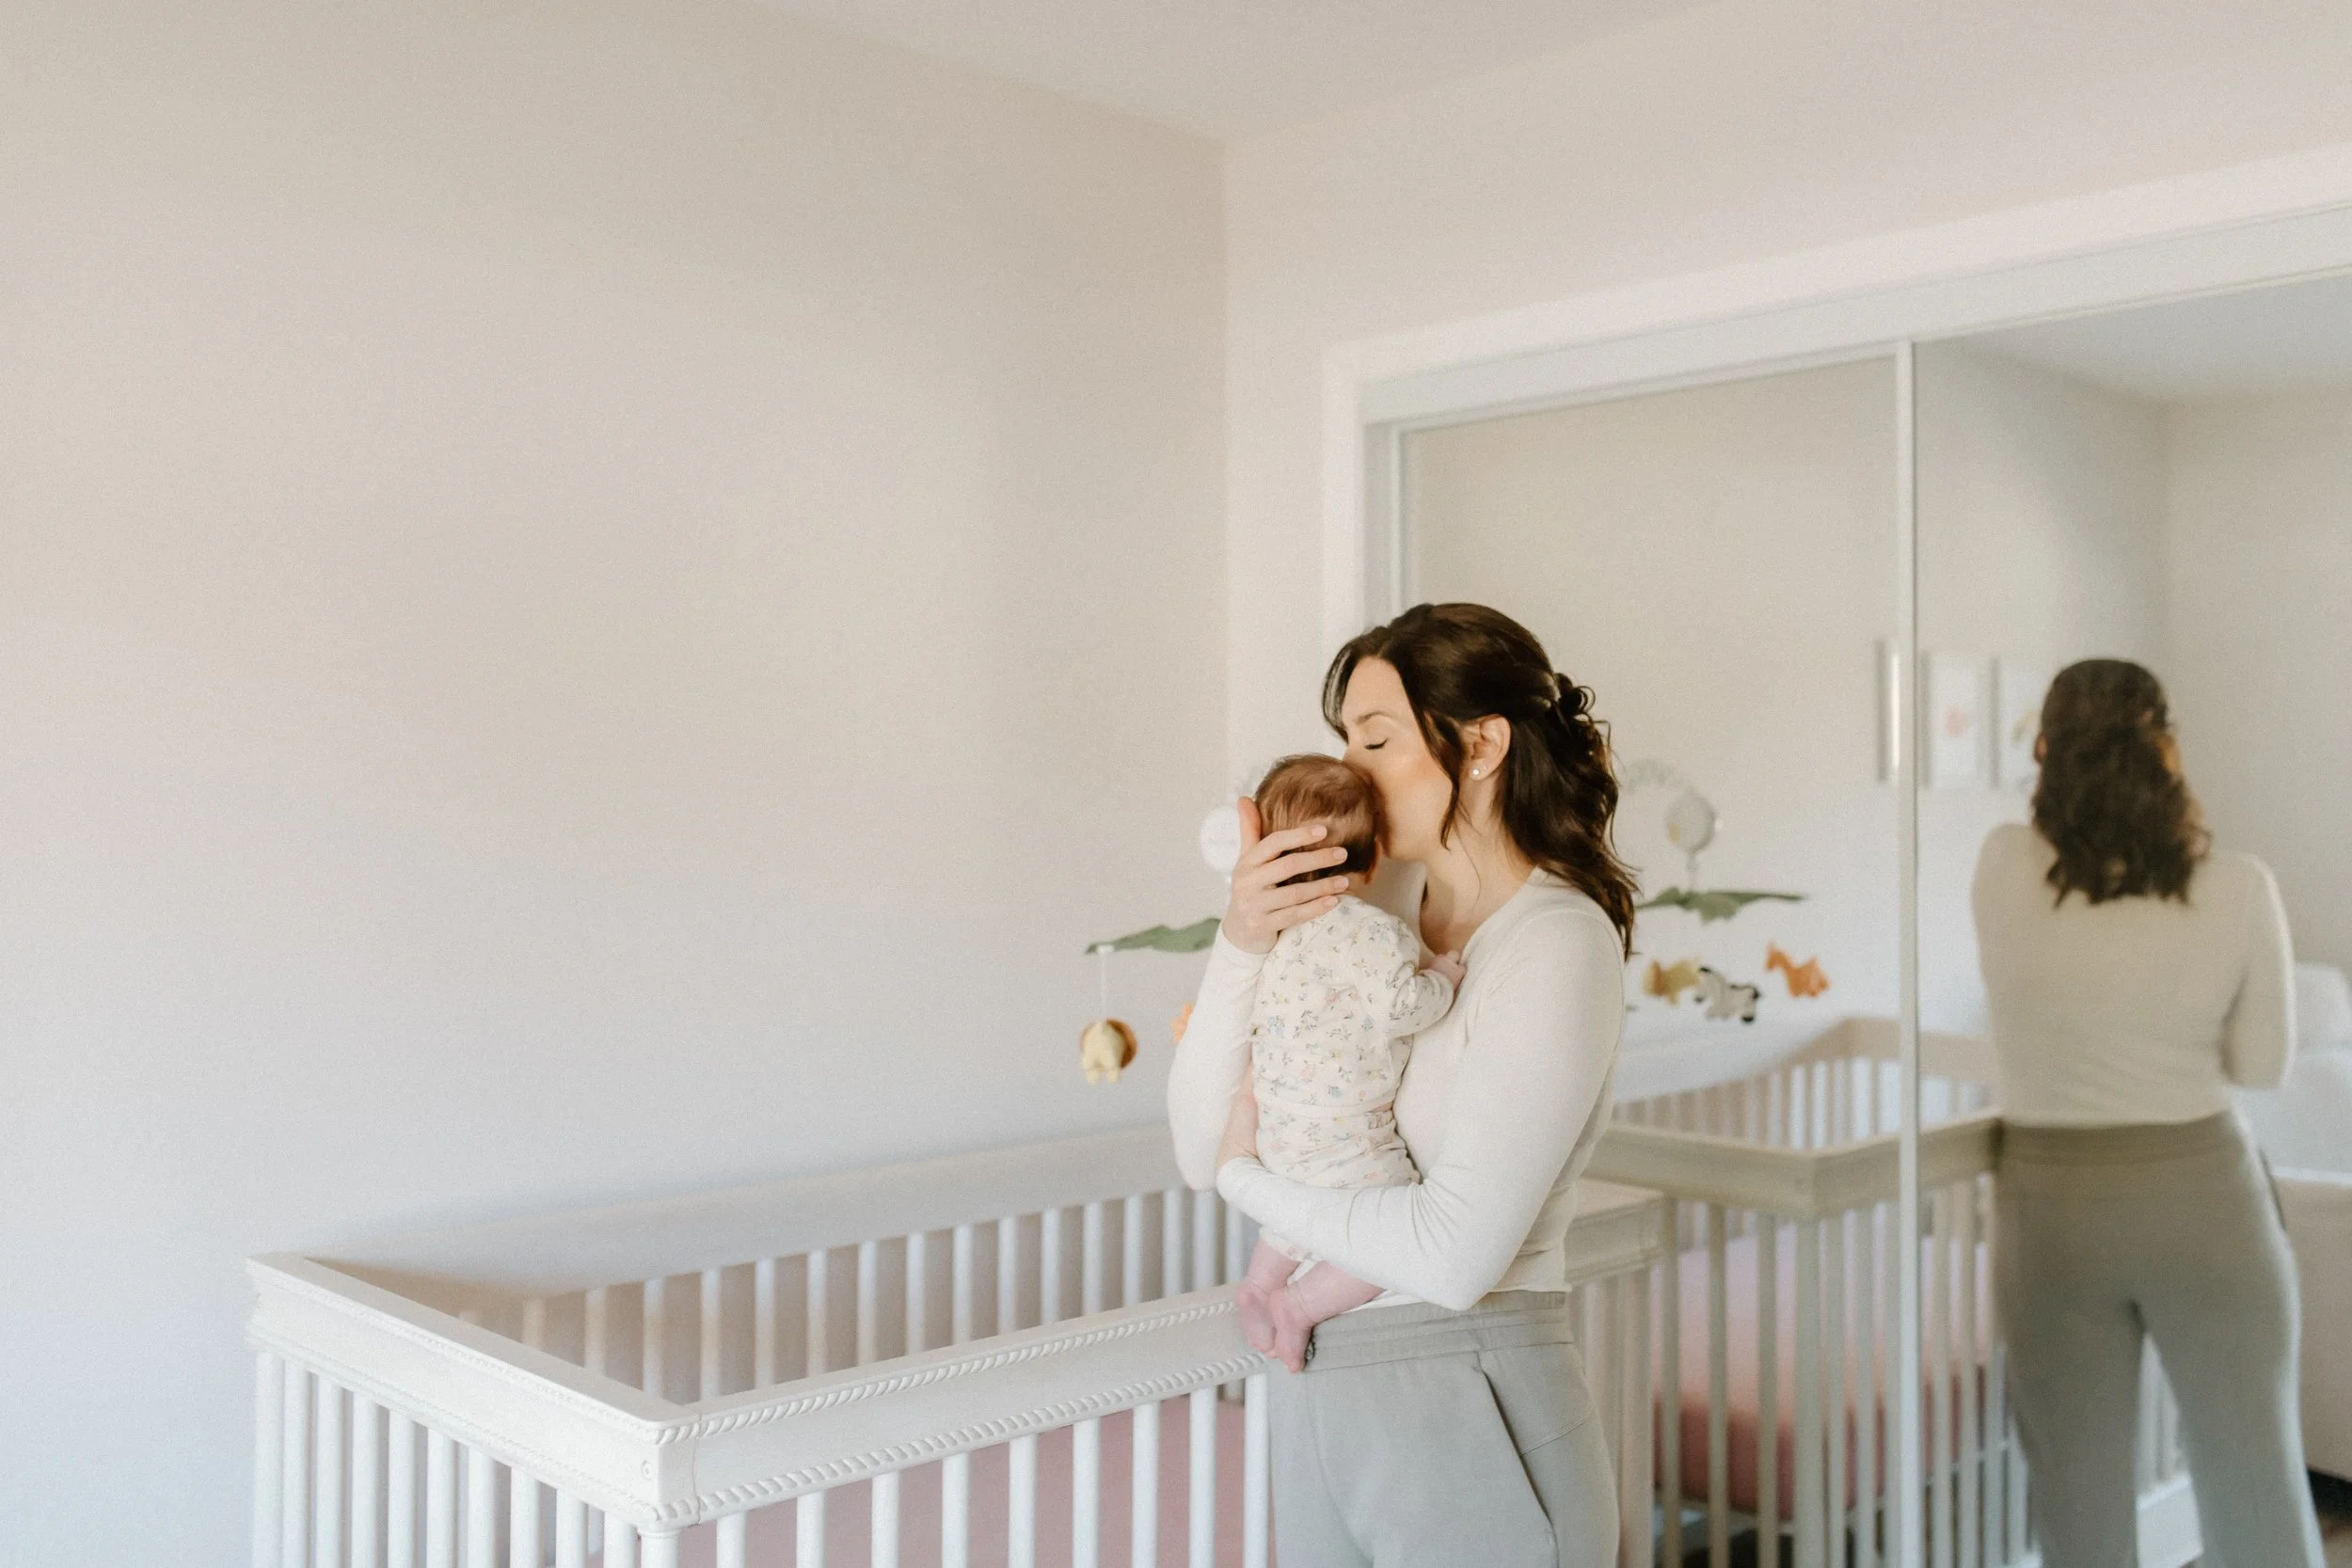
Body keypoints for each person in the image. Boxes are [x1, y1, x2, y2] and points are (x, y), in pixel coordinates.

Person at [1168, 602, 1635, 1568]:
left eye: (1375, 738)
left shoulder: (1555, 941)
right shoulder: (1366, 909)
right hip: (1321, 1390)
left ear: (1480, 744)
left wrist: (1246, 1185)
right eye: (1344, 739)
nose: (1351, 769)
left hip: (1467, 1391)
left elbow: (1452, 1255)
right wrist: (1241, 943)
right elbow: (1196, 1142)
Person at [1973, 657, 2324, 1568]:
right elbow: (2262, 1062)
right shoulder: (2238, 885)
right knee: (2256, 1496)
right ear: (2166, 750)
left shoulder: (2004, 865)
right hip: (2203, 1204)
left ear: (2044, 750)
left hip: (2049, 1216)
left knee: (2078, 1518)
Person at [1228, 752, 1467, 1373]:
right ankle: (1298, 1305)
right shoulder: (1372, 931)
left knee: (1298, 1214)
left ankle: (1256, 1286)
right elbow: (1403, 1005)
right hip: (1344, 1132)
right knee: (1396, 1230)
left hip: (1280, 1129)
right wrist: (1441, 976)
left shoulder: (1276, 936)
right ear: (1371, 858)